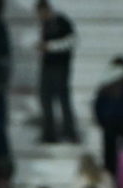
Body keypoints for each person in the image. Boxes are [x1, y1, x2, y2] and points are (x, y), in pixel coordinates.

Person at [36, 0, 79, 143]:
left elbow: (72, 41)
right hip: (47, 66)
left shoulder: (61, 22)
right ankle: (49, 133)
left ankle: (70, 132)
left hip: (60, 66)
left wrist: (51, 46)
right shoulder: (44, 25)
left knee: (63, 99)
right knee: (45, 100)